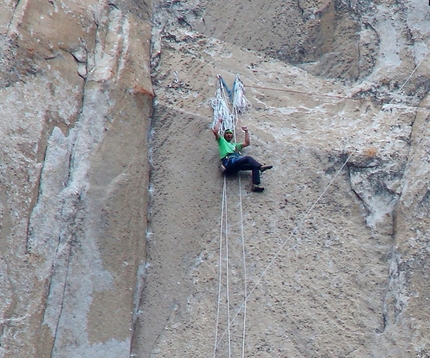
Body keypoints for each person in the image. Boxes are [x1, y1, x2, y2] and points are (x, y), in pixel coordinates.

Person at [213, 118, 272, 192]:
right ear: (224, 135)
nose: (229, 134)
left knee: (254, 166)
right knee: (248, 158)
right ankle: (260, 167)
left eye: (230, 133)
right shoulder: (221, 141)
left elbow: (247, 143)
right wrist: (219, 122)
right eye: (227, 133)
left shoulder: (235, 145)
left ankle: (255, 185)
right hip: (228, 162)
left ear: (232, 136)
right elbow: (215, 131)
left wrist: (246, 131)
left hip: (235, 165)